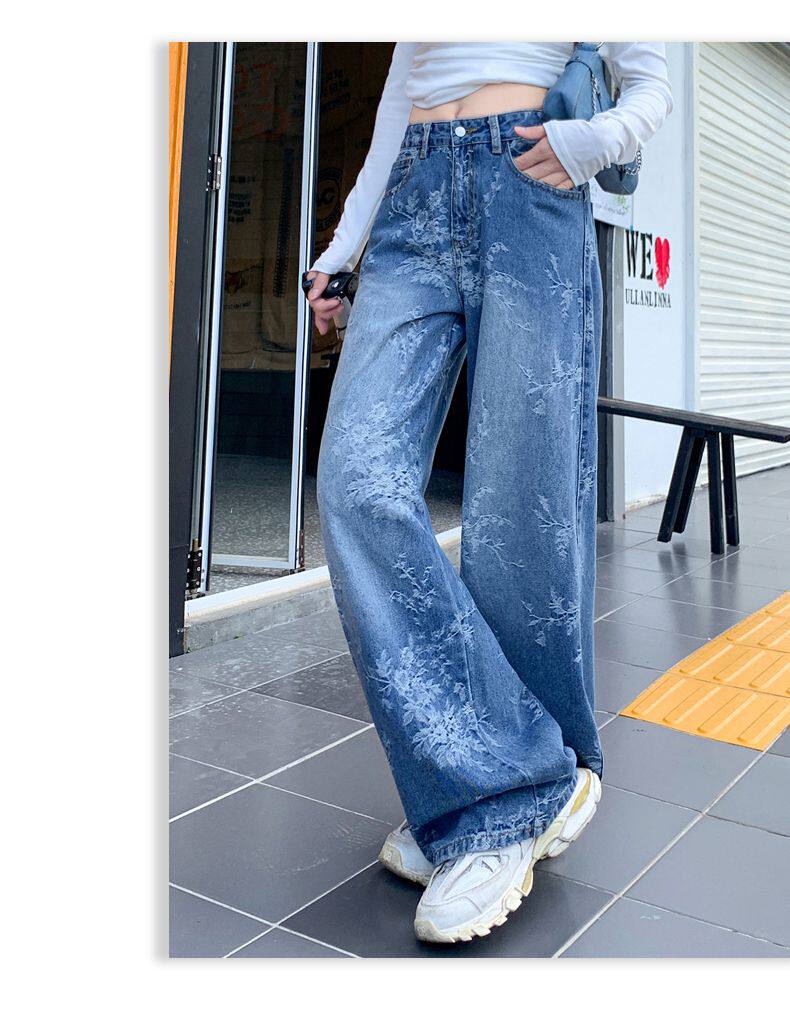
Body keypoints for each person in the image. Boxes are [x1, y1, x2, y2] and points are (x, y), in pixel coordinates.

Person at [304, 43, 672, 945]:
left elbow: (652, 83)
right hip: (415, 199)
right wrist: (344, 250)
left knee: (518, 518)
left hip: (529, 182)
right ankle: (505, 781)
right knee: (356, 479)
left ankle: (496, 803)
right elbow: (397, 107)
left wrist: (590, 142)